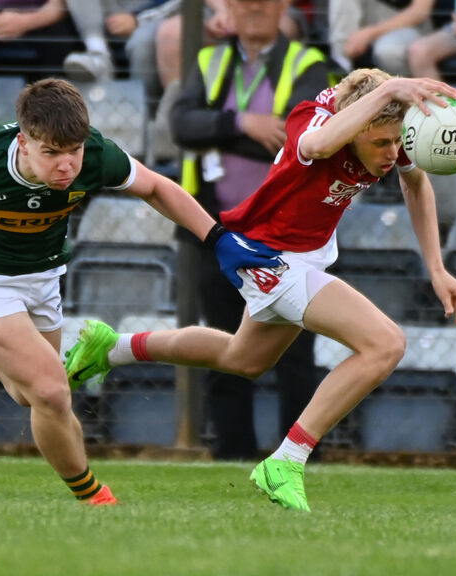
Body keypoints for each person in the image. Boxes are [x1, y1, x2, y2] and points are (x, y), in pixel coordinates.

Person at [0, 77, 282, 506]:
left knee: (31, 395)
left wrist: (218, 237)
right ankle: (95, 499)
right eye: (51, 153)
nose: (66, 165)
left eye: (72, 152)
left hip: (42, 278)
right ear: (23, 141)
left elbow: (155, 186)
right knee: (52, 391)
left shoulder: (93, 152)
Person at [65, 69, 456, 511]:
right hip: (268, 258)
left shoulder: (386, 132)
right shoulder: (313, 121)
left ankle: (112, 347)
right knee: (386, 344)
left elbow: (416, 184)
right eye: (381, 143)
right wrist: (393, 87)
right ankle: (287, 460)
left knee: (242, 358)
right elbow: (318, 145)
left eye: (397, 142)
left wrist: (437, 267)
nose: (392, 153)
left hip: (306, 255)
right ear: (356, 126)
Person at [169, 0, 330, 459]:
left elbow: (300, 141)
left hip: (283, 238)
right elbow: (182, 125)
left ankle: (298, 457)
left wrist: (218, 132)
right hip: (217, 232)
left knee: (294, 355)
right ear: (229, 9)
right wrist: (245, 123)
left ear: (284, 7)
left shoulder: (307, 64)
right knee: (224, 345)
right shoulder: (209, 58)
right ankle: (232, 452)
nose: (255, 6)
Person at [329, 0, 437, 76]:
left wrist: (369, 33)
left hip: (410, 27)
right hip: (364, 26)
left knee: (388, 52)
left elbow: (419, 12)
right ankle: (340, 73)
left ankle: (403, 102)